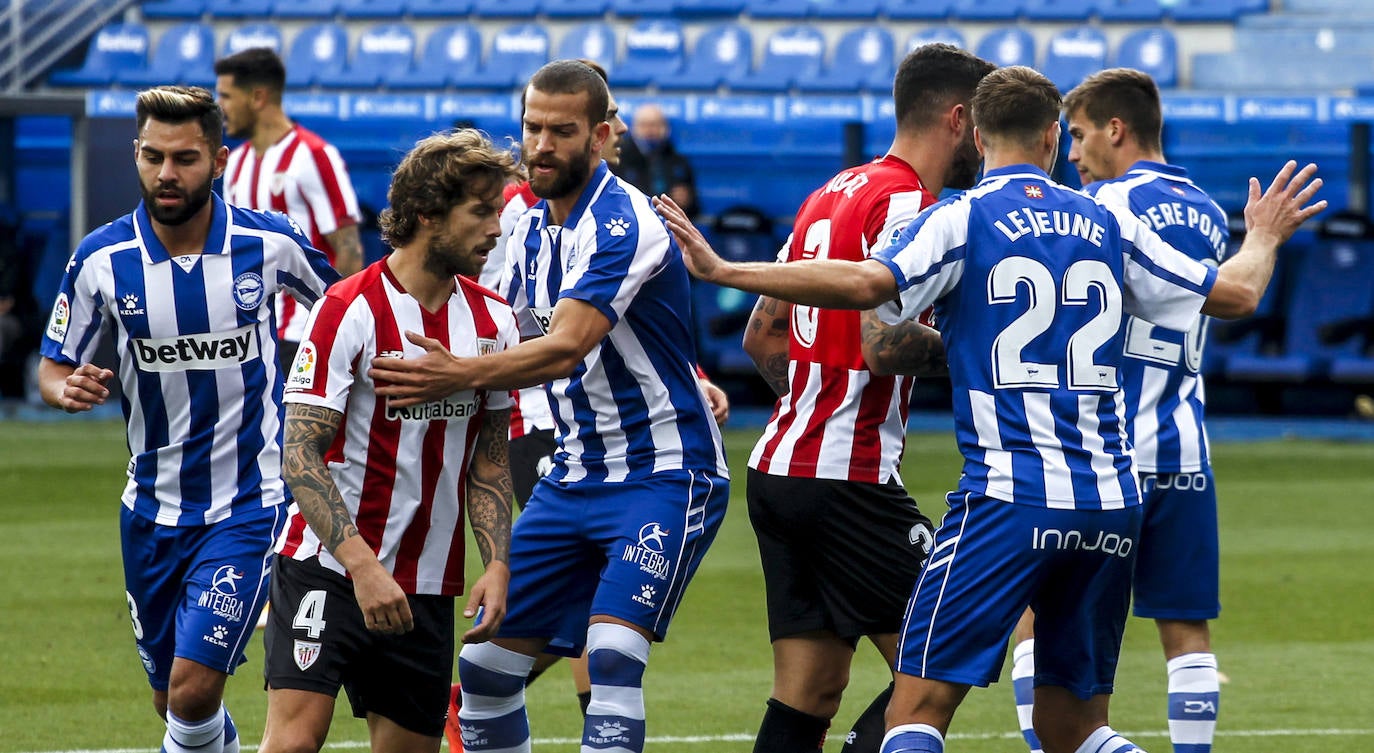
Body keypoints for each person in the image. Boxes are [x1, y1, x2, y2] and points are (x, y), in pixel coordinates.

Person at [654, 65, 1324, 753]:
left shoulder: (958, 218)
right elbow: (1237, 294)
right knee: (1075, 726)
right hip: (1111, 502)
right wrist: (1265, 235)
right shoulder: (1109, 221)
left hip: (1009, 497)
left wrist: (725, 270)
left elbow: (865, 283)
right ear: (1053, 135)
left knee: (916, 707)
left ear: (977, 132)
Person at [368, 59, 730, 753]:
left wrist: (458, 374)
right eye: (532, 128)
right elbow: (489, 315)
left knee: (613, 656)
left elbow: (564, 347)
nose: (541, 145)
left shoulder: (624, 222)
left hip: (664, 470)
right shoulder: (521, 226)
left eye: (561, 131)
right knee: (483, 668)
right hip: (572, 473)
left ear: (599, 136)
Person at [37, 85, 340, 753]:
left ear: (220, 160)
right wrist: (65, 388)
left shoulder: (270, 242)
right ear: (137, 155)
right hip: (148, 509)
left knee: (193, 686)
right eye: (153, 156)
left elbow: (352, 307)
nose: (167, 173)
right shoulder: (99, 261)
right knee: (170, 699)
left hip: (250, 501)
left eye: (185, 158)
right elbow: (52, 362)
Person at [739, 44, 992, 753]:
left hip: (779, 468)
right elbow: (883, 347)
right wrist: (984, 359)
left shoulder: (832, 191)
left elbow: (763, 336)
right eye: (982, 130)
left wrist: (820, 401)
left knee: (809, 686)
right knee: (948, 648)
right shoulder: (913, 203)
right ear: (959, 118)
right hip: (846, 479)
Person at [259, 130, 519, 753]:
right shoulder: (347, 309)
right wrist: (364, 569)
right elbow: (300, 454)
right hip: (329, 568)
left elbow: (490, 458)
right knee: (293, 742)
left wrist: (499, 563)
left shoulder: (496, 322)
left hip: (427, 586)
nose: (496, 230)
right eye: (481, 212)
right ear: (428, 214)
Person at [1002, 67, 1232, 753]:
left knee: (1035, 613)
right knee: (1186, 630)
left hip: (1106, 456)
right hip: (1186, 446)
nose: (1071, 153)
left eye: (1077, 135)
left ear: (1116, 128)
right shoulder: (1211, 213)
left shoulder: (1103, 208)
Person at [214, 46, 364, 370]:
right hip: (247, 336)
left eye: (226, 96)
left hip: (302, 334)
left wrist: (343, 329)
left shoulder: (314, 155)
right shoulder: (235, 163)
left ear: (257, 97)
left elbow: (348, 250)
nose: (220, 107)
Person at [618, 102, 700, 220]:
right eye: (644, 125)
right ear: (633, 128)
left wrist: (687, 201)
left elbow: (695, 209)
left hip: (669, 227)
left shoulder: (678, 161)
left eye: (655, 125)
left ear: (665, 128)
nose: (650, 131)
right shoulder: (619, 160)